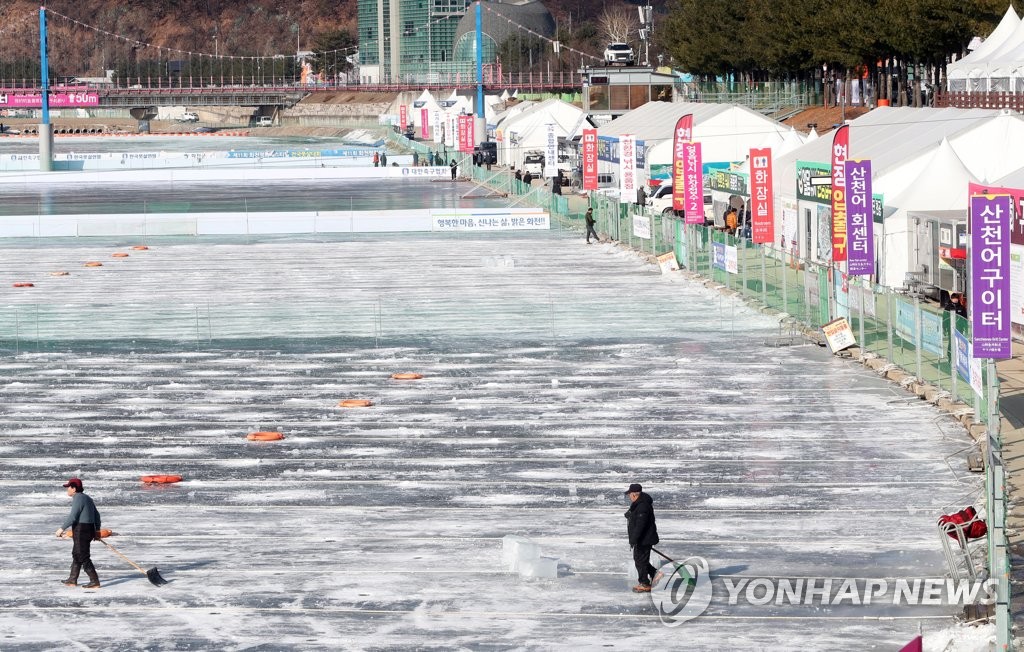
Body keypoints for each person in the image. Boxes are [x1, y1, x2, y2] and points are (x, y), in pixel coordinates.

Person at [56, 478, 102, 589]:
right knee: (77, 554)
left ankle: (94, 581)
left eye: (69, 487)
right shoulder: (88, 498)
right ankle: (72, 579)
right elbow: (97, 516)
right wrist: (96, 531)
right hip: (88, 529)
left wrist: (61, 529)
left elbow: (73, 517)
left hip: (82, 530)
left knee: (83, 556)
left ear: (74, 488)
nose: (67, 490)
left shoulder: (78, 498)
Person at [623, 482, 659, 593]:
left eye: (630, 494)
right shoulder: (639, 503)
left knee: (640, 562)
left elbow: (640, 526)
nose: (629, 496)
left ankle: (644, 583)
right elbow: (636, 518)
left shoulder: (642, 505)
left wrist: (634, 539)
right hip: (643, 538)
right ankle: (655, 574)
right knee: (640, 560)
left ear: (634, 494)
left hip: (644, 539)